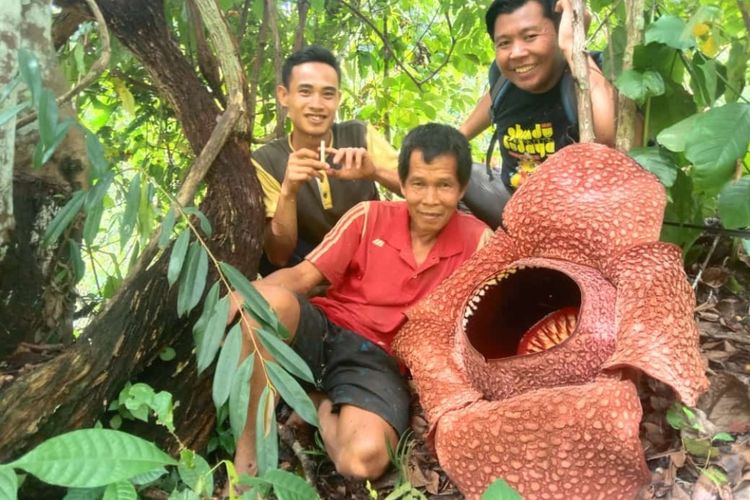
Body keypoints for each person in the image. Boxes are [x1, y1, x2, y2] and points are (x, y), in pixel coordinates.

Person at [230, 123, 493, 480]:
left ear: (461, 188)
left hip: (379, 361)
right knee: (268, 304)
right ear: (402, 184)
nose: (430, 200)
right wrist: (243, 296)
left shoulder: (478, 242)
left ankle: (317, 405)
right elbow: (302, 279)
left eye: (444, 185)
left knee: (362, 461)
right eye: (418, 184)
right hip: (324, 332)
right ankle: (249, 459)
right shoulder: (369, 216)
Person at [252, 45, 401, 271]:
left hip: (373, 265)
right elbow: (278, 256)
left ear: (338, 99)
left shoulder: (359, 134)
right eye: (305, 92)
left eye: (328, 94)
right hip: (311, 277)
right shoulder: (266, 161)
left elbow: (420, 187)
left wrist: (374, 172)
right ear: (284, 96)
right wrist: (289, 191)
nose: (317, 105)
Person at [459, 0, 618, 193]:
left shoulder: (595, 74)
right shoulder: (504, 81)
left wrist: (572, 46)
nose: (516, 53)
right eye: (504, 43)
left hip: (578, 211)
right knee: (446, 177)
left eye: (530, 36)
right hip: (514, 207)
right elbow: (492, 101)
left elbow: (610, 138)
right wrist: (457, 138)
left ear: (559, 30)